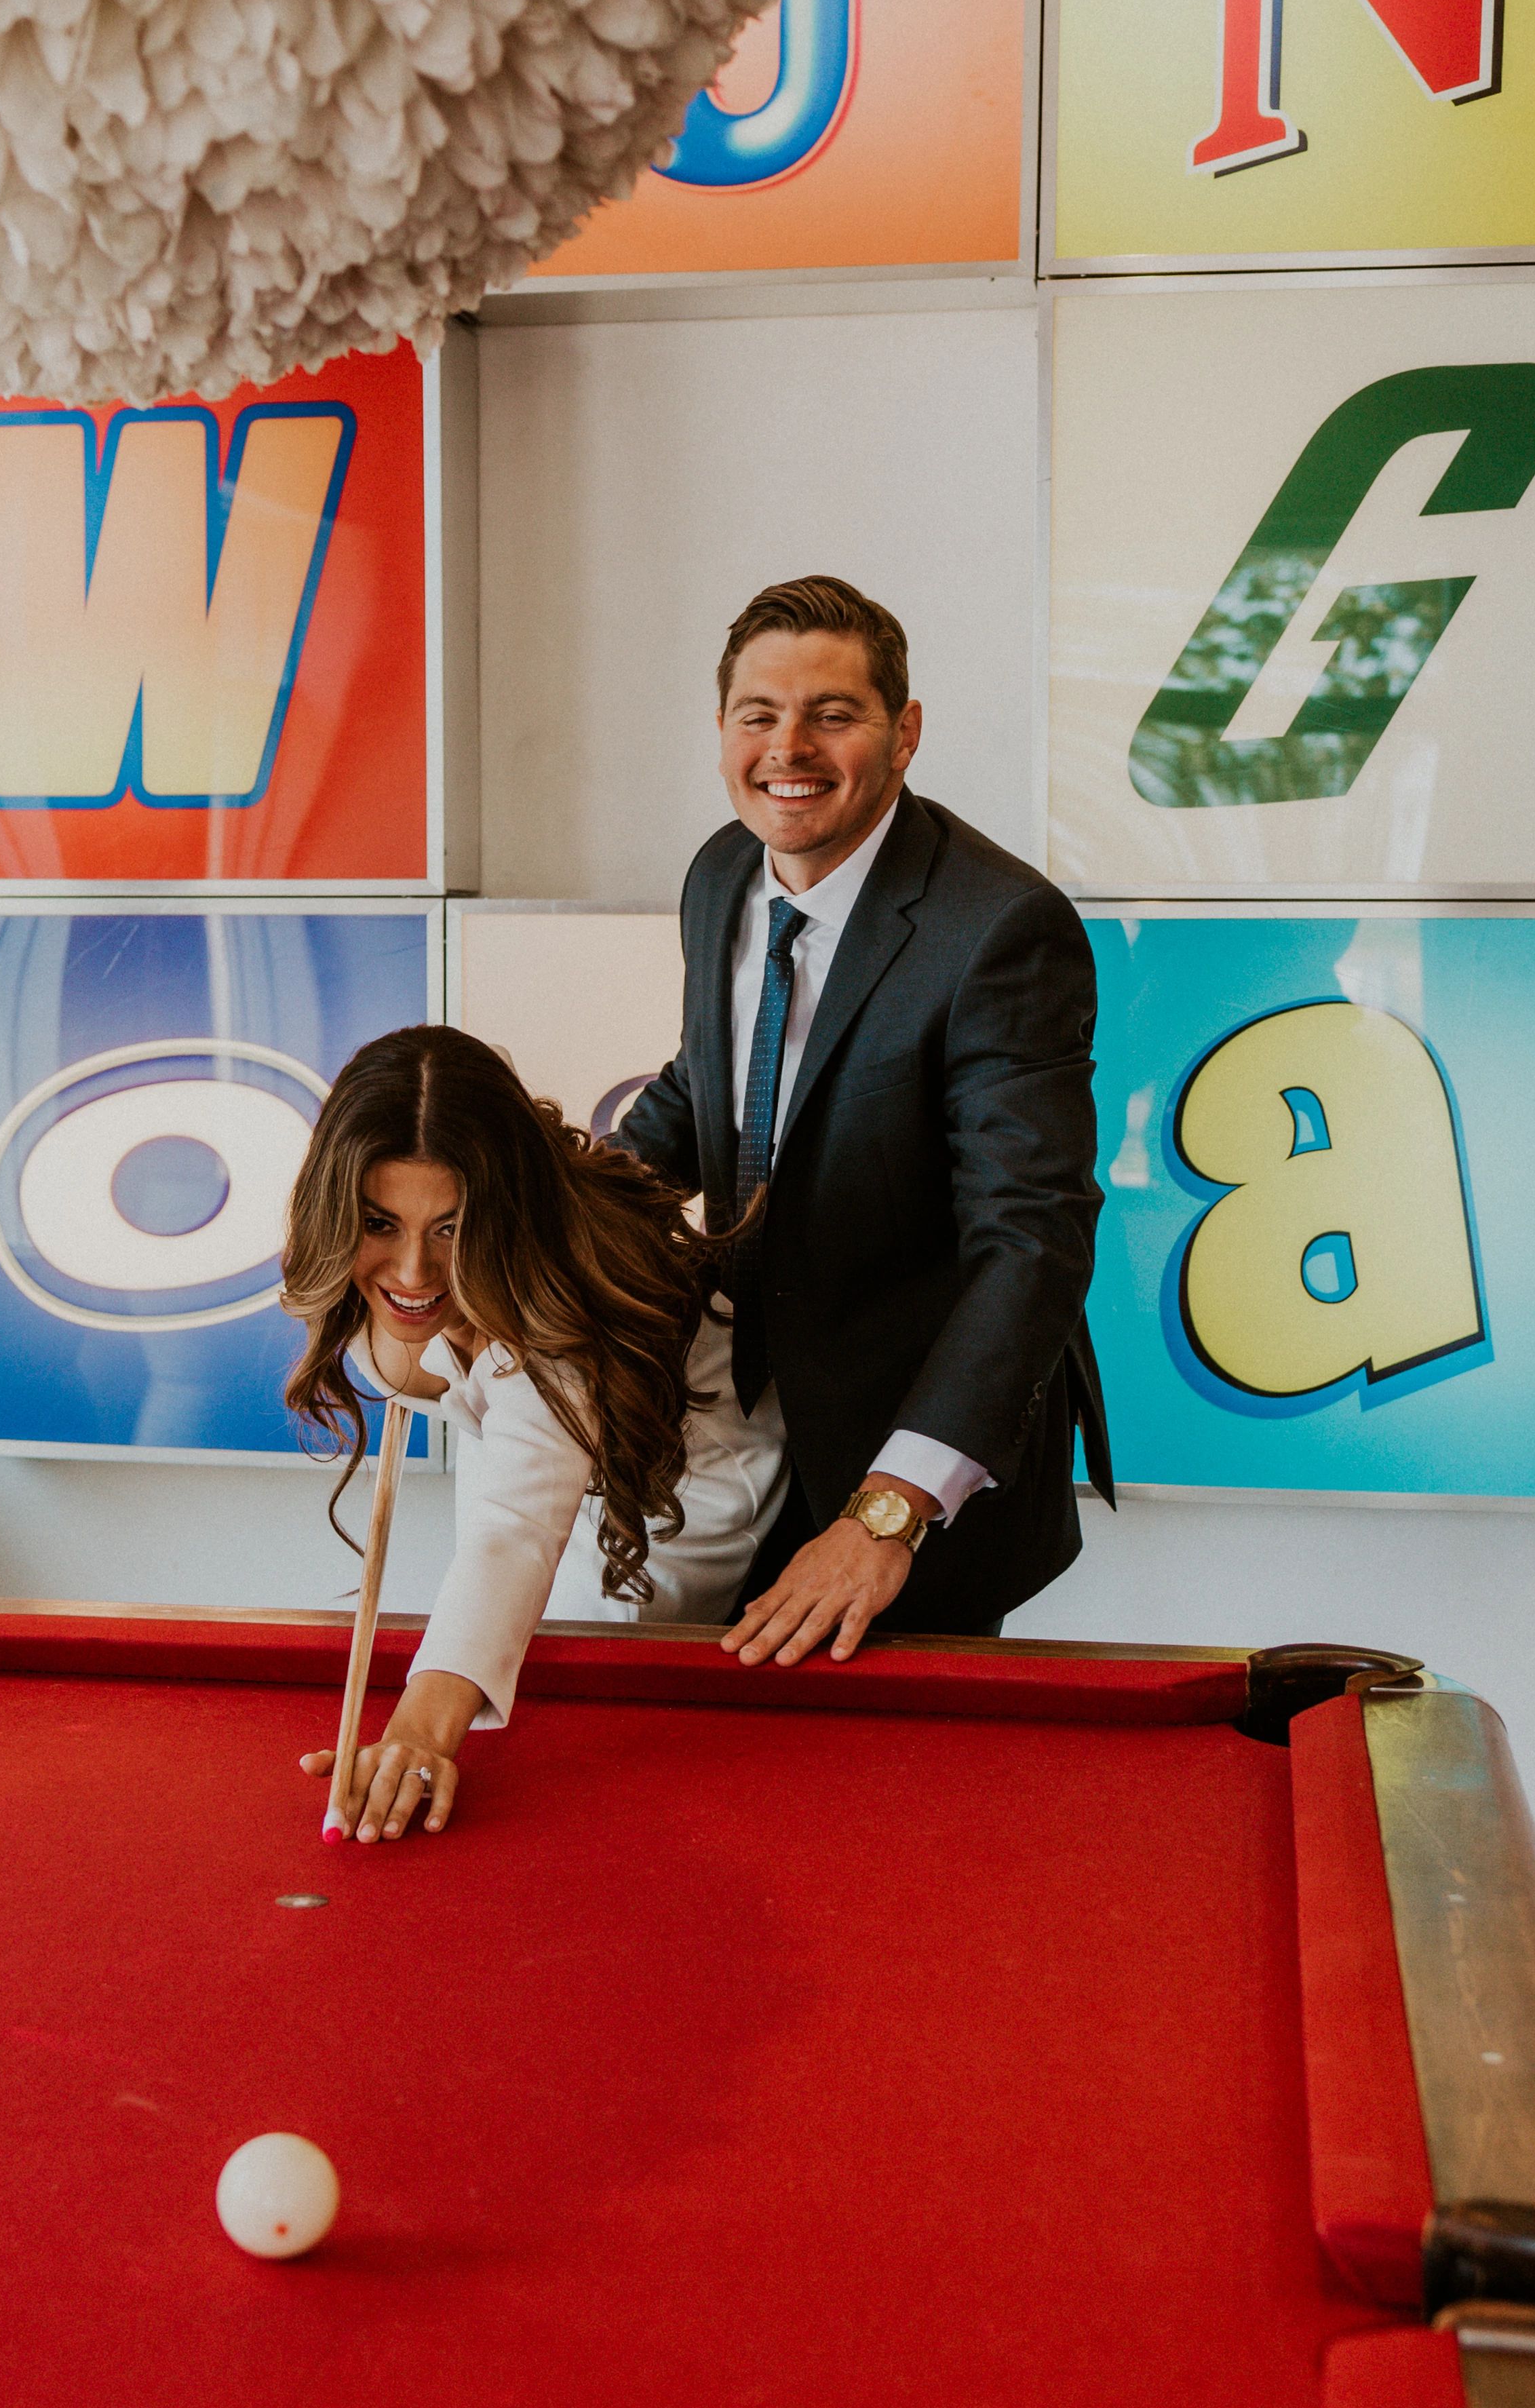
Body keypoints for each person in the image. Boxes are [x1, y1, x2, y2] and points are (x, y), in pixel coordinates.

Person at [618, 572, 1112, 1665]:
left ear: (904, 733)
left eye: (832, 714)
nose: (788, 748)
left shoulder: (1000, 928)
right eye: (759, 715)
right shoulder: (721, 871)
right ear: (722, 730)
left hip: (911, 1454)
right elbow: (706, 1083)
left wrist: (890, 1511)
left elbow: (1029, 1241)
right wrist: (540, 1214)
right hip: (736, 1427)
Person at [279, 1026, 777, 1842]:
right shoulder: (412, 1282)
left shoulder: (555, 1321)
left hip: (673, 1485)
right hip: (527, 1424)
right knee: (493, 1639)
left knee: (580, 1696)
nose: (413, 1271)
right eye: (380, 1222)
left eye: (451, 1226)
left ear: (503, 1211)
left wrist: (418, 1730)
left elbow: (513, 1530)